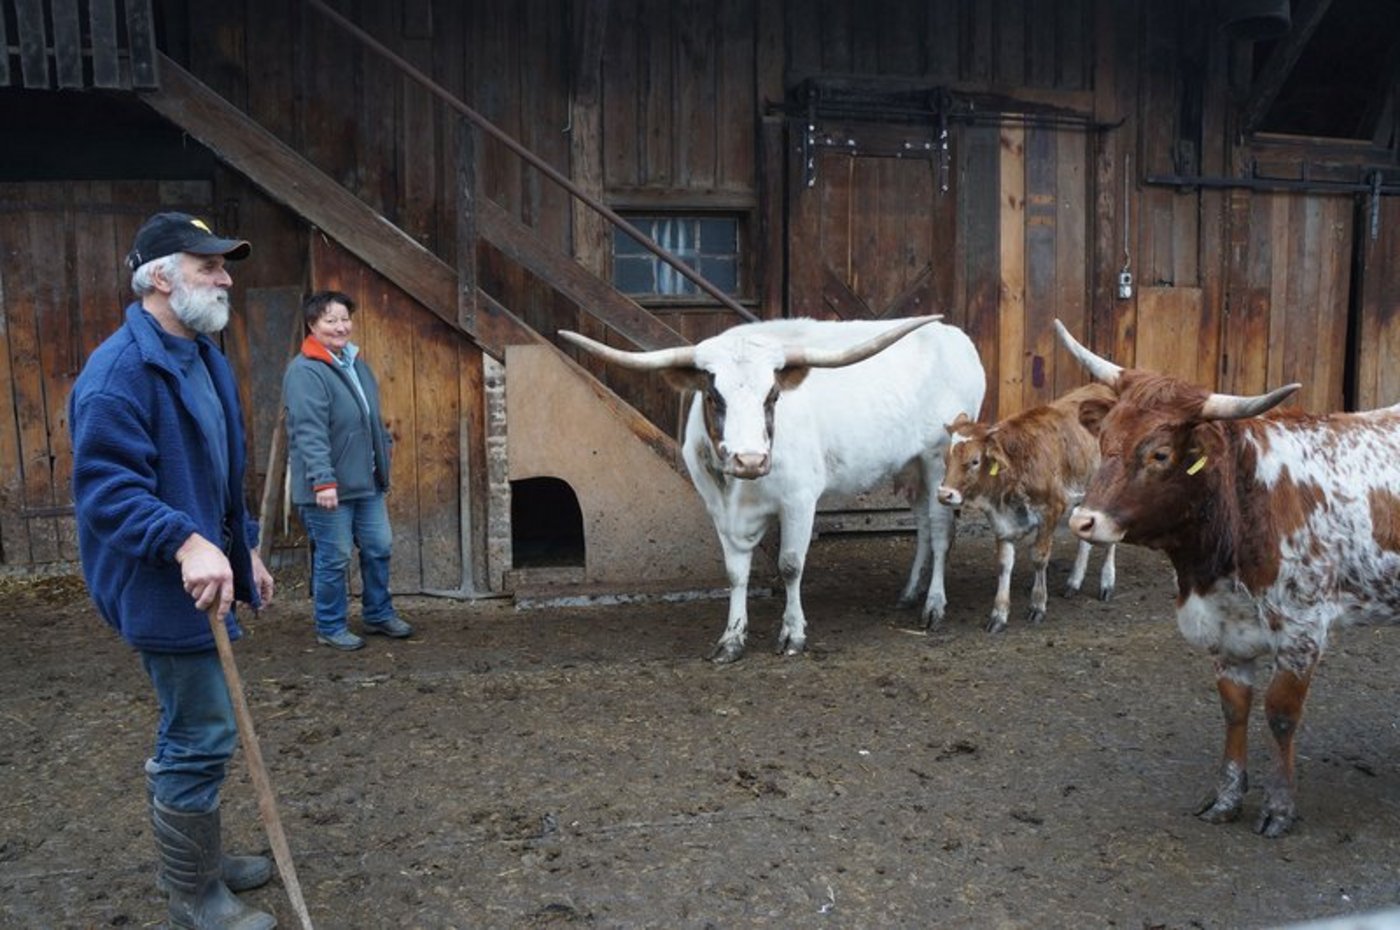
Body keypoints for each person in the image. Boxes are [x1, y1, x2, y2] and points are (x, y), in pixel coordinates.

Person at [69, 212, 277, 929]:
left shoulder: (203, 356)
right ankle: (193, 896)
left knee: (200, 723)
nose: (225, 279)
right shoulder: (118, 375)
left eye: (224, 266)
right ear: (159, 277)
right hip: (160, 586)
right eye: (207, 266)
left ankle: (200, 859)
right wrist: (186, 543)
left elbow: (216, 473)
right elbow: (107, 493)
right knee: (199, 731)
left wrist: (243, 547)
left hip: (205, 574)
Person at [283, 290, 412, 650]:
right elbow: (309, 430)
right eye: (331, 320)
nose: (341, 327)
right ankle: (330, 624)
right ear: (312, 325)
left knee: (379, 545)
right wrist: (323, 480)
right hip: (329, 488)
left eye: (345, 319)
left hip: (366, 480)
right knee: (335, 556)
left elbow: (370, 417)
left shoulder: (355, 363)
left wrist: (383, 450)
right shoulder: (305, 371)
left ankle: (378, 613)